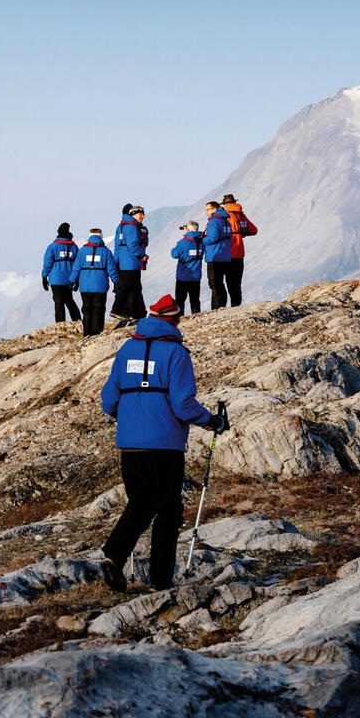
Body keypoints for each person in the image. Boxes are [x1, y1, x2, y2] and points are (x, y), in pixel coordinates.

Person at [99, 294, 228, 592]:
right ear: (171, 320)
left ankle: (116, 562)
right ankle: (149, 573)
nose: (181, 321)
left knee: (141, 504)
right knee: (167, 510)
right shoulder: (176, 353)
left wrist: (132, 416)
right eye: (178, 318)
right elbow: (183, 405)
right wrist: (212, 421)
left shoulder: (126, 349)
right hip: (165, 445)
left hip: (129, 445)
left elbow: (108, 401)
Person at [72, 228, 119, 336]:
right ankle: (97, 333)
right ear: (101, 236)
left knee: (87, 308)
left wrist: (72, 281)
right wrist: (116, 282)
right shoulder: (106, 252)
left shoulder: (82, 251)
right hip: (100, 285)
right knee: (99, 308)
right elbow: (111, 269)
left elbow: (76, 268)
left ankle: (87, 333)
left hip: (85, 285)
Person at [112, 204, 149, 320]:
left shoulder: (121, 227)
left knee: (134, 288)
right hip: (131, 262)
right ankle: (117, 309)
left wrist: (116, 263)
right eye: (140, 214)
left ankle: (135, 313)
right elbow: (133, 245)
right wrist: (142, 255)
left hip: (123, 262)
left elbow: (117, 246)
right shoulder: (133, 227)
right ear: (132, 214)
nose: (142, 216)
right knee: (128, 288)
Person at [221, 195, 258, 307]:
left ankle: (233, 305)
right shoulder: (241, 215)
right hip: (240, 252)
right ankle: (237, 304)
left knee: (229, 281)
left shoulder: (226, 216)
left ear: (226, 205)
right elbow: (254, 230)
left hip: (229, 252)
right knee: (237, 281)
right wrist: (242, 233)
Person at [41, 223, 81, 323]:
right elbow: (78, 264)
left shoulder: (53, 246)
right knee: (69, 301)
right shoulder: (74, 247)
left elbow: (47, 263)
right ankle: (77, 321)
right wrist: (77, 280)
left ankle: (60, 323)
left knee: (58, 302)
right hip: (69, 279)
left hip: (56, 279)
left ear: (58, 232)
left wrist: (44, 277)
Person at [203, 201, 233, 310]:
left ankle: (216, 308)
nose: (206, 212)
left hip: (214, 256)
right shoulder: (226, 221)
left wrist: (202, 239)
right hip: (225, 255)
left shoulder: (214, 221)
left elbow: (212, 238)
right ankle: (222, 306)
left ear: (214, 209)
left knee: (214, 283)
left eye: (208, 209)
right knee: (220, 282)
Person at [171, 221, 204, 315]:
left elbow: (174, 254)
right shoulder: (202, 242)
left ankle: (180, 317)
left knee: (180, 300)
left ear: (188, 229)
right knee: (195, 300)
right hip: (196, 276)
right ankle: (196, 316)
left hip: (183, 276)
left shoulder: (183, 242)